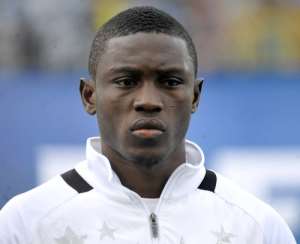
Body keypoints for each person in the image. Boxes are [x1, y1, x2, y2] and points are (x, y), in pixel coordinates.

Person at [0, 6, 296, 244]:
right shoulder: (26, 223)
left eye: (170, 82)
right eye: (126, 82)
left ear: (194, 96)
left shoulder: (257, 228)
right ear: (89, 96)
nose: (148, 101)